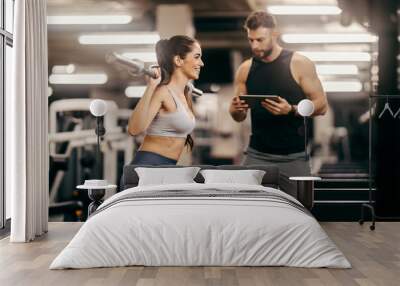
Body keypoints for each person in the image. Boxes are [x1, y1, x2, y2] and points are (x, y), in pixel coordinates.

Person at [229, 11, 328, 197]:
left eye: (260, 39)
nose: (255, 45)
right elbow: (238, 116)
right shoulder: (245, 69)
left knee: (301, 208)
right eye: (251, 40)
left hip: (294, 156)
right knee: (248, 209)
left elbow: (321, 106)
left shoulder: (299, 63)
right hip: (256, 155)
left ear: (275, 34)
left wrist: (292, 109)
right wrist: (235, 109)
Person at [127, 35, 204, 165]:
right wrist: (150, 87)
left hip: (167, 167)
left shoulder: (184, 93)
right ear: (178, 60)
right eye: (197, 57)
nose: (201, 63)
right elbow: (134, 130)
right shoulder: (163, 92)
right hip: (148, 165)